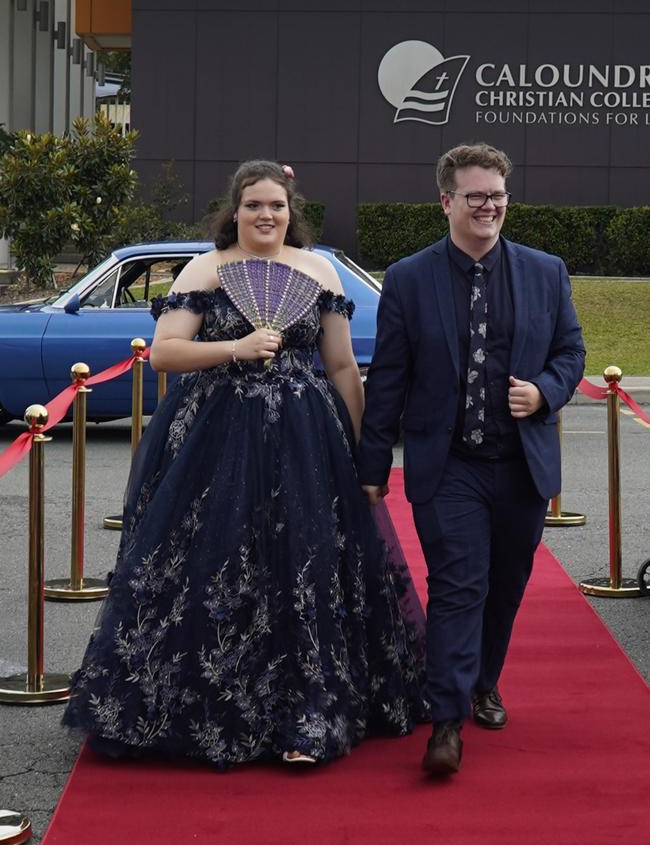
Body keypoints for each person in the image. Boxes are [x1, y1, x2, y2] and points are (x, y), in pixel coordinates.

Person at [63, 159, 426, 768]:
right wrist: (236, 346)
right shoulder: (208, 267)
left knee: (306, 568)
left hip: (309, 443)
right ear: (235, 210)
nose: (266, 215)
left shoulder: (318, 270)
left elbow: (340, 368)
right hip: (217, 443)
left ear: (292, 212)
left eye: (277, 205)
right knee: (217, 564)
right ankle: (209, 707)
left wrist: (367, 456)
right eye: (254, 204)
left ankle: (309, 715)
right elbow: (165, 354)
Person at [358, 143, 586, 777]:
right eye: (476, 196)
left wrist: (544, 390)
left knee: (506, 586)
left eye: (498, 196)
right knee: (460, 585)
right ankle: (447, 719)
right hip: (447, 463)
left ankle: (485, 681)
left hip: (521, 466)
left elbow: (572, 354)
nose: (489, 207)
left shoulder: (546, 271)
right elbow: (390, 381)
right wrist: (372, 465)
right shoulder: (408, 277)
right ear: (446, 202)